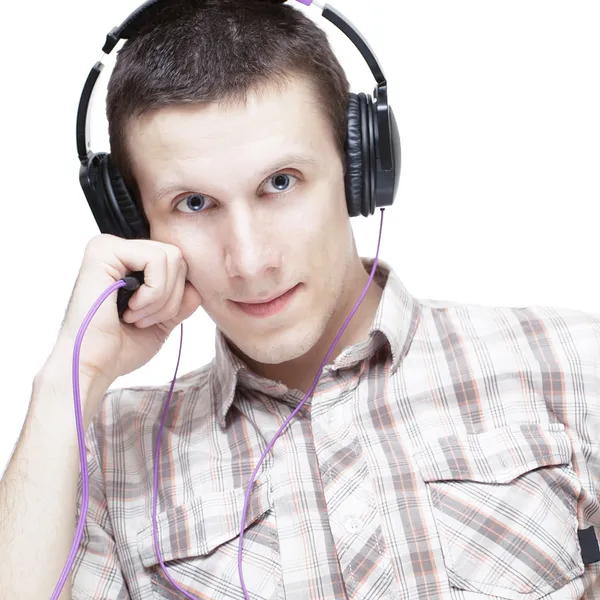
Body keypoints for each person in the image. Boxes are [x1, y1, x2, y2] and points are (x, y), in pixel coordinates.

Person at [1, 0, 599, 598]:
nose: (250, 259)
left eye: (280, 183)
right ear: (135, 226)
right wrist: (68, 379)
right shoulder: (105, 457)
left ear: (361, 170)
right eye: (193, 203)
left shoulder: (570, 362)